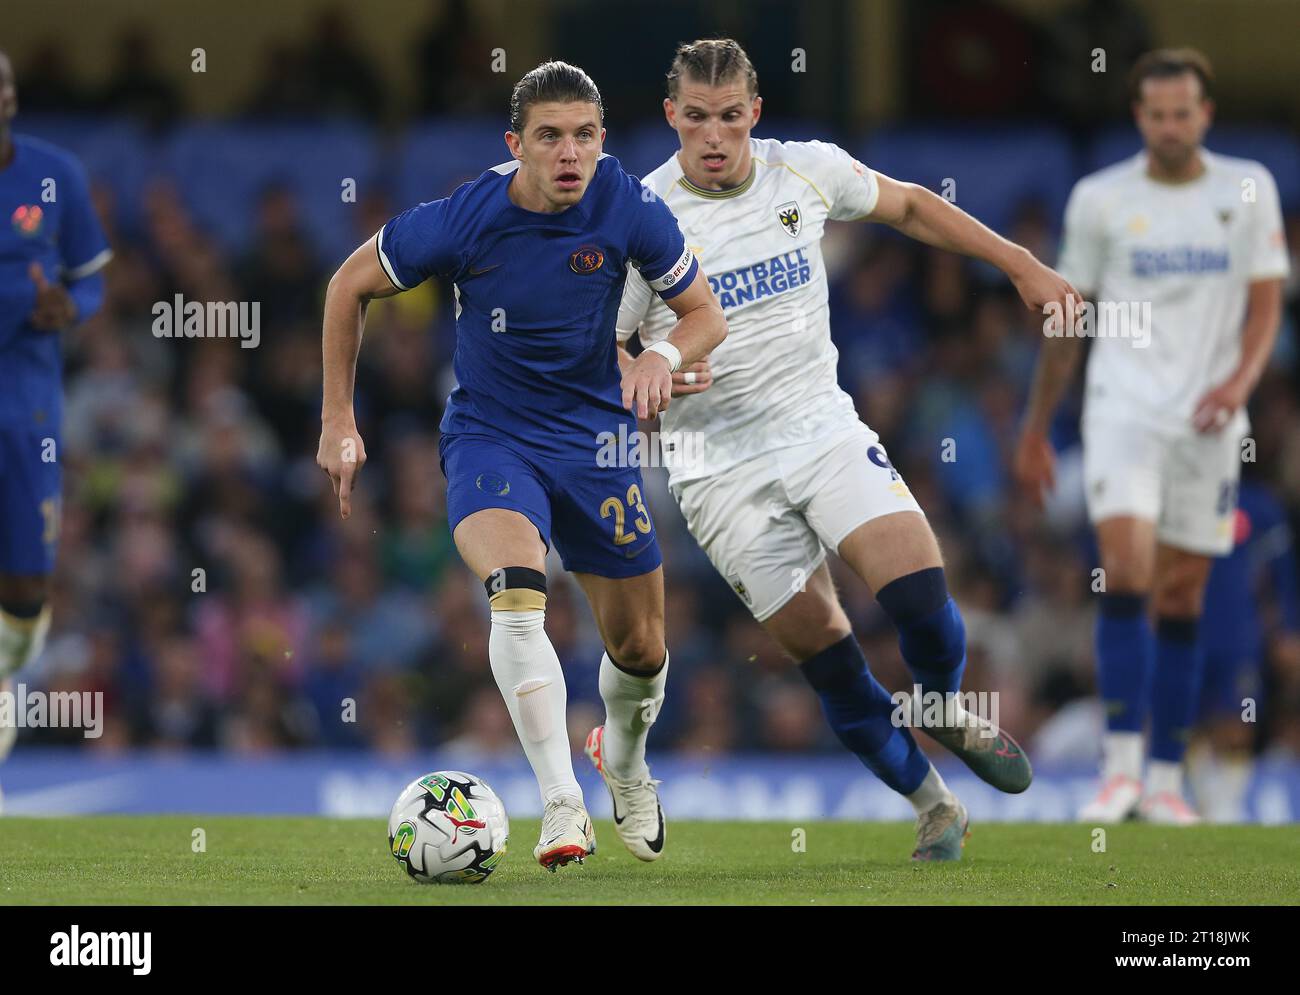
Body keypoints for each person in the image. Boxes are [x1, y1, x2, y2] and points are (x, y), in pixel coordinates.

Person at [617, 39, 1077, 860]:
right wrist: (642, 368)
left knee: (920, 590)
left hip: (819, 426)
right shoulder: (641, 215)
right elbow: (599, 345)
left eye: (730, 117)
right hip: (716, 469)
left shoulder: (806, 170)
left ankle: (939, 704)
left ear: (755, 113)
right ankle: (933, 805)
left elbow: (905, 205)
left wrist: (1019, 263)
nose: (714, 137)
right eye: (696, 119)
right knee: (826, 651)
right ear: (671, 117)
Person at [317, 62, 726, 870]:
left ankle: (627, 763)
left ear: (602, 141)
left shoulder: (630, 206)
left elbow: (704, 312)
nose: (569, 153)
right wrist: (338, 418)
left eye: (583, 135)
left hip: (598, 446)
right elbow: (346, 285)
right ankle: (561, 801)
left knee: (642, 649)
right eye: (549, 136)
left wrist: (662, 354)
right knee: (517, 594)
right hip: (492, 438)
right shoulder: (467, 216)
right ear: (517, 144)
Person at [1015, 48, 1290, 823]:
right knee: (1127, 568)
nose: (1171, 126)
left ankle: (1167, 777)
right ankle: (1121, 771)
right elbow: (1069, 322)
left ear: (1205, 114)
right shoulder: (1101, 199)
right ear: (1140, 117)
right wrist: (1036, 424)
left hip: (1208, 420)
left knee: (1180, 594)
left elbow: (1267, 306)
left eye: (1184, 113)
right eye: (1157, 114)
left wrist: (1238, 385)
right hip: (1122, 410)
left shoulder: (1249, 190)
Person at [0, 50, 112, 804]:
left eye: (4, 85)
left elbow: (92, 276)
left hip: (27, 394)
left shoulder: (53, 174)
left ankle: (7, 676)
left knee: (29, 583)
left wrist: (71, 309)